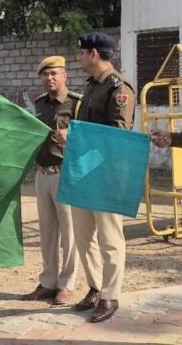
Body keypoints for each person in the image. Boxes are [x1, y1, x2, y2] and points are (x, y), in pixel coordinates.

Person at [53, 32, 135, 323]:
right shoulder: (91, 86)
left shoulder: (119, 88)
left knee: (110, 239)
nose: (79, 57)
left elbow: (119, 134)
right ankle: (96, 287)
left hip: (108, 174)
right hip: (83, 171)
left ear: (94, 54)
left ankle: (110, 296)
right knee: (83, 235)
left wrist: (75, 134)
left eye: (82, 52)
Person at [21, 56, 80, 305]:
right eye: (45, 74)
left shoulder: (76, 103)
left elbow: (87, 135)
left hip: (66, 173)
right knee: (47, 232)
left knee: (70, 232)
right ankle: (48, 282)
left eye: (54, 73)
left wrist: (71, 133)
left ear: (64, 75)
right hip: (42, 174)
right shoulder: (39, 104)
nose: (49, 78)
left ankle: (66, 284)